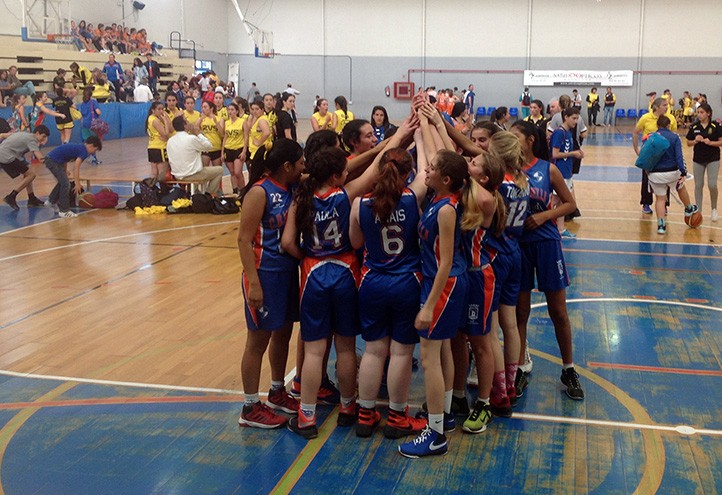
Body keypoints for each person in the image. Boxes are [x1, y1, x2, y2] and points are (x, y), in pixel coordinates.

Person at [281, 116, 416, 440]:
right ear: (336, 174)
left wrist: (309, 257)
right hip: (345, 274)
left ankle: (307, 415)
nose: (348, 173)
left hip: (314, 273)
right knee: (345, 348)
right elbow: (373, 169)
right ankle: (348, 407)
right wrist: (402, 134)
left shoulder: (301, 198)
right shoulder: (346, 195)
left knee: (314, 352)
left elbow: (287, 242)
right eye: (343, 169)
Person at [398, 117, 469, 458]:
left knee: (428, 359)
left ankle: (436, 434)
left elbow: (444, 262)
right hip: (440, 284)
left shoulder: (446, 211)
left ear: (446, 179)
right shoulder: (439, 199)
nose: (425, 171)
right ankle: (444, 416)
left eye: (432, 169)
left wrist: (428, 306)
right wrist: (425, 121)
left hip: (444, 286)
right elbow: (434, 152)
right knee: (438, 355)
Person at [349, 141, 428, 439]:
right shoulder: (411, 198)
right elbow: (426, 171)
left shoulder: (360, 204)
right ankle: (396, 417)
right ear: (406, 173)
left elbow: (356, 243)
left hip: (373, 282)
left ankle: (366, 414)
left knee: (373, 350)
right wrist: (419, 134)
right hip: (407, 282)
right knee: (401, 353)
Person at [510, 119, 584, 401]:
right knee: (520, 312)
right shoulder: (507, 170)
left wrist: (543, 215)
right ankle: (517, 368)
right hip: (518, 245)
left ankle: (568, 368)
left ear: (530, 140)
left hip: (546, 244)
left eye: (515, 136)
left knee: (558, 311)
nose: (510, 140)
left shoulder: (547, 169)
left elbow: (570, 204)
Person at [237, 138, 306, 429]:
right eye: (300, 163)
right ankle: (250, 407)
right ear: (287, 166)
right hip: (264, 275)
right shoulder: (259, 192)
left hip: (287, 271)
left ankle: (278, 391)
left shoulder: (291, 185)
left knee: (283, 334)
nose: (304, 167)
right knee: (258, 340)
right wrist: (253, 282)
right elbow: (243, 239)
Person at [646, 115, 699, 234]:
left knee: (660, 199)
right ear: (669, 125)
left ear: (657, 125)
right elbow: (679, 157)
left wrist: (648, 172)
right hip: (671, 172)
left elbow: (646, 156)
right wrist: (683, 172)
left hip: (655, 174)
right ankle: (688, 208)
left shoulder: (651, 137)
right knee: (680, 186)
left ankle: (661, 225)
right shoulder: (675, 137)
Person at [632, 97, 675, 214]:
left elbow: (674, 135)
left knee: (665, 179)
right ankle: (646, 203)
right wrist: (637, 149)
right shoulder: (645, 118)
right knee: (647, 180)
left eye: (667, 105)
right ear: (656, 107)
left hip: (665, 155)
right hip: (649, 155)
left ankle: (664, 204)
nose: (667, 107)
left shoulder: (670, 118)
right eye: (664, 105)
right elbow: (635, 133)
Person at [44, 136, 102, 218]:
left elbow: (65, 156)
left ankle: (51, 201)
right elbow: (76, 167)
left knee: (63, 182)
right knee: (66, 184)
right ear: (91, 145)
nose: (93, 153)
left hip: (53, 160)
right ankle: (64, 211)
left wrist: (64, 170)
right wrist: (77, 183)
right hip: (53, 161)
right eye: (95, 150)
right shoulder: (84, 151)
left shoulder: (79, 148)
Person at [550, 107, 584, 238]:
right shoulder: (560, 133)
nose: (576, 121)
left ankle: (560, 229)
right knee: (554, 201)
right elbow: (555, 154)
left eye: (577, 118)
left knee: (562, 202)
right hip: (560, 173)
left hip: (567, 172)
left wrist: (577, 154)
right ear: (566, 117)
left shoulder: (568, 133)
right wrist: (573, 153)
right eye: (573, 118)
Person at [166, 116, 223, 194]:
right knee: (219, 170)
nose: (189, 122)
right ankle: (208, 195)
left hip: (177, 174)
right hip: (191, 174)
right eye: (187, 121)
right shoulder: (190, 139)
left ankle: (195, 193)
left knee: (195, 167)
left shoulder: (170, 140)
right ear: (185, 125)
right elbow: (209, 146)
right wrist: (198, 133)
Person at [686, 103, 721, 222]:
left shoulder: (715, 126)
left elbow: (721, 142)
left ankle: (714, 209)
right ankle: (699, 212)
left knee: (712, 184)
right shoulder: (694, 127)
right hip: (698, 159)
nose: (699, 115)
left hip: (713, 158)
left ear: (708, 113)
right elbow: (688, 143)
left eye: (702, 112)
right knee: (698, 185)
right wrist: (695, 141)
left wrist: (710, 142)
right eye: (698, 112)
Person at [0, 125, 49, 210]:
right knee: (31, 175)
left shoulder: (24, 134)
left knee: (28, 172)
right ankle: (11, 196)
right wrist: (55, 160)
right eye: (43, 136)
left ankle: (31, 198)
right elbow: (40, 158)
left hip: (6, 154)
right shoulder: (32, 139)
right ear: (37, 133)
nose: (43, 139)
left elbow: (1, 135)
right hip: (7, 156)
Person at [222, 102, 248, 194]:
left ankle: (243, 191)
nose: (230, 112)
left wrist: (244, 151)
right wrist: (222, 152)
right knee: (232, 172)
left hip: (238, 148)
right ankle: (235, 191)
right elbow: (225, 137)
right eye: (229, 110)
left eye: (232, 110)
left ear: (237, 111)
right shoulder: (227, 123)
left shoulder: (242, 122)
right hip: (228, 149)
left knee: (238, 172)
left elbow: (246, 137)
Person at [146, 101, 172, 180]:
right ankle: (162, 190)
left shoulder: (150, 118)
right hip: (160, 147)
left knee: (154, 172)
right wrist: (166, 122)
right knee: (162, 172)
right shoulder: (155, 120)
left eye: (162, 109)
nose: (161, 111)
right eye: (159, 109)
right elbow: (165, 133)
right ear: (153, 110)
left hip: (152, 146)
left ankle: (152, 189)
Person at [199, 100, 224, 167]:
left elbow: (222, 133)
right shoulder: (202, 119)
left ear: (211, 108)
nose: (203, 109)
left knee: (217, 172)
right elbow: (195, 129)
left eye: (205, 107)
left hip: (216, 148)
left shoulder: (219, 119)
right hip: (205, 148)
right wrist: (200, 118)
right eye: (202, 107)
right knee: (204, 171)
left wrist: (215, 122)